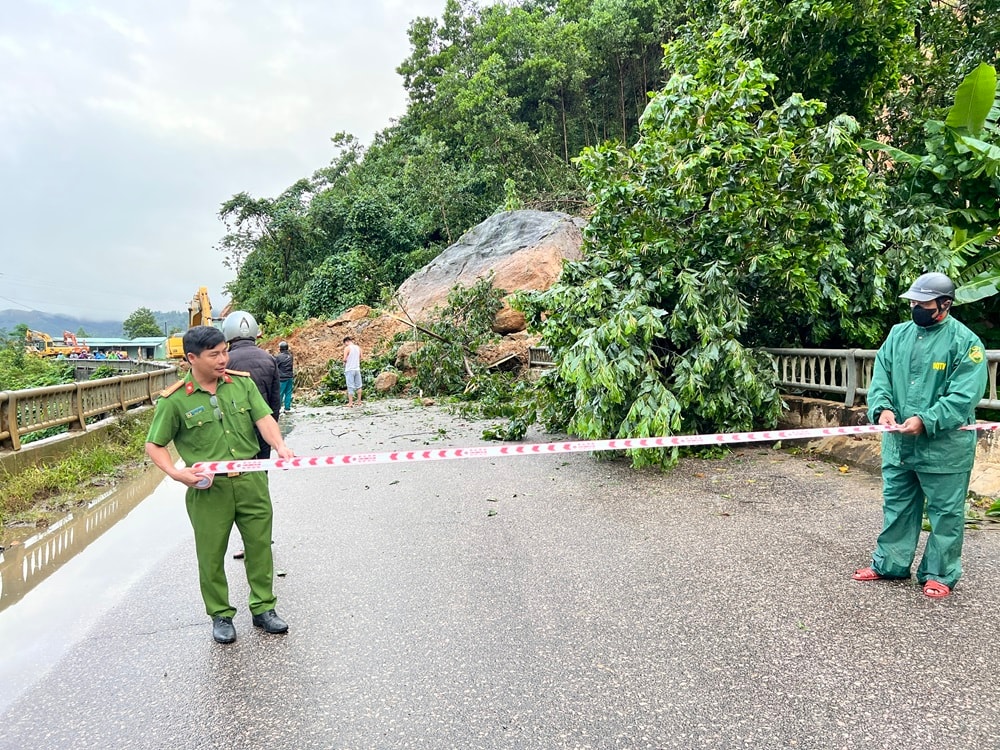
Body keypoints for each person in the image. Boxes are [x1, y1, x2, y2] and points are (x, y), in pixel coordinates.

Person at [145, 325, 294, 644]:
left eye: (225, 351)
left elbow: (264, 419)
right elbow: (155, 445)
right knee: (211, 554)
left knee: (259, 546)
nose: (223, 359)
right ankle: (221, 615)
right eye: (214, 355)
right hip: (208, 489)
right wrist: (176, 473)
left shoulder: (242, 384)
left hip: (252, 479)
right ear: (191, 358)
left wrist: (279, 445)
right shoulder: (174, 401)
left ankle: (264, 608)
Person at [853, 272, 987, 599]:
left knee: (945, 514)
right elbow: (880, 376)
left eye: (922, 303)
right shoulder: (898, 335)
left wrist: (926, 420)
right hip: (899, 446)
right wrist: (882, 409)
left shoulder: (965, 343)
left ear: (944, 305)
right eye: (913, 302)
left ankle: (939, 573)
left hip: (944, 449)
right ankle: (890, 564)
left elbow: (963, 397)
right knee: (897, 507)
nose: (915, 307)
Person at [222, 311, 280, 459]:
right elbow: (275, 400)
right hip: (264, 425)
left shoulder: (224, 361)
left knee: (241, 472)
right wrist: (272, 427)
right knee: (262, 468)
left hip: (237, 429)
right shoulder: (269, 358)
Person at [343, 335, 363, 407]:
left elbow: (345, 359)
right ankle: (359, 402)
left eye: (345, 343)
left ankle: (350, 403)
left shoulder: (347, 348)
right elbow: (361, 357)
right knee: (359, 386)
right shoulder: (358, 348)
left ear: (347, 341)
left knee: (350, 386)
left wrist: (344, 363)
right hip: (357, 369)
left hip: (349, 369)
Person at [275, 341, 294, 413]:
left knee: (280, 394)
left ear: (280, 349)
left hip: (282, 378)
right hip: (290, 377)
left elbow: (275, 366)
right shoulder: (290, 356)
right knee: (288, 393)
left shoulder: (279, 357)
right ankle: (287, 408)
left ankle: (278, 409)